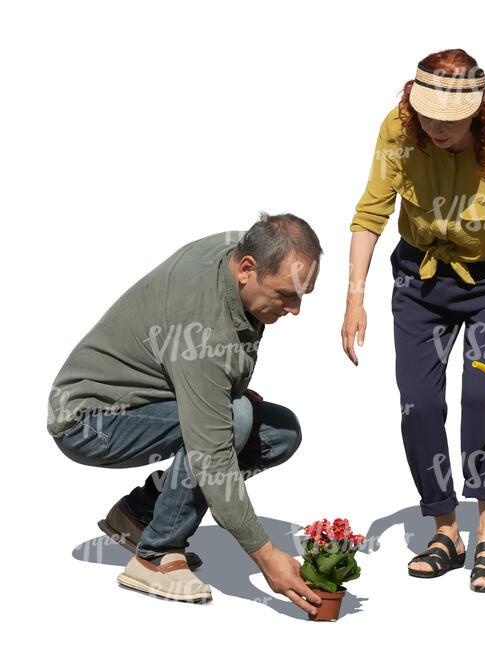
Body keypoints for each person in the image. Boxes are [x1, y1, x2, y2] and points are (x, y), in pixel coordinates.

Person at [341, 49, 485, 592]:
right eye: (427, 114)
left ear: (478, 110)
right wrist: (355, 296)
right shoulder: (399, 130)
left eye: (449, 118)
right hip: (419, 279)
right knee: (418, 403)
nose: (435, 127)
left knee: (483, 398)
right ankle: (445, 529)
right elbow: (372, 210)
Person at [48, 212, 324, 612]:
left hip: (144, 400)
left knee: (280, 432)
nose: (295, 309)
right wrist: (266, 556)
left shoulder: (238, 249)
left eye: (303, 294)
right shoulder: (205, 325)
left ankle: (139, 516)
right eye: (286, 294)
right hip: (90, 420)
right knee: (236, 419)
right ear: (248, 268)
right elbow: (213, 453)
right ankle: (155, 556)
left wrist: (224, 388)